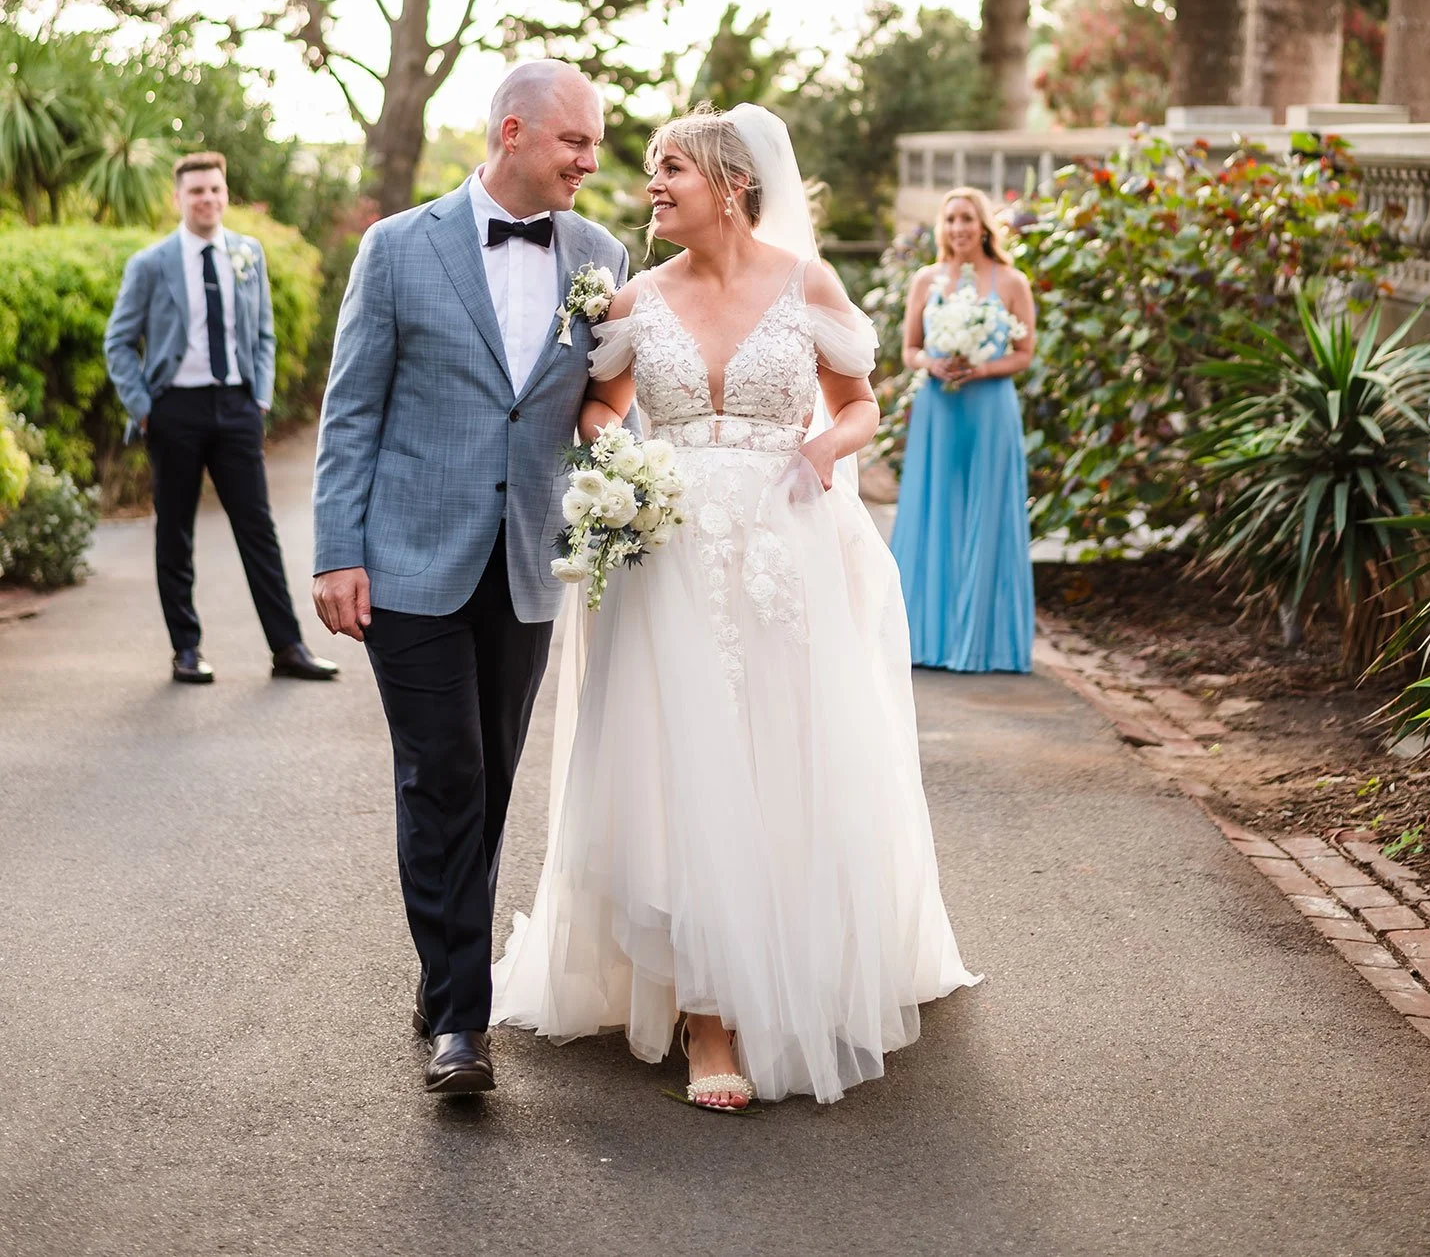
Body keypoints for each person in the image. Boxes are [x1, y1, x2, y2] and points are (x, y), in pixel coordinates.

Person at [491, 105, 976, 1109]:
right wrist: (612, 456)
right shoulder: (634, 294)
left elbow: (860, 406)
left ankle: (778, 971)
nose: (650, 186)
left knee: (777, 758)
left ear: (732, 183)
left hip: (782, 547)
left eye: (670, 170)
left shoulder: (809, 286)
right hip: (664, 552)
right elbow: (601, 406)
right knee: (679, 768)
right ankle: (707, 1017)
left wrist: (822, 450)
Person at [311, 61, 630, 1099]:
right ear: (512, 131)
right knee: (442, 771)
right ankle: (462, 1018)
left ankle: (440, 965)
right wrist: (335, 550)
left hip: (530, 558)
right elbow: (351, 408)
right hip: (408, 557)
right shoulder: (398, 248)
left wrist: (621, 466)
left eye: (595, 144)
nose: (591, 160)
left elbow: (601, 401)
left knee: (488, 778)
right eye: (575, 142)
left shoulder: (600, 255)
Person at [103, 151, 336, 689]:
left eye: (214, 189)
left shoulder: (247, 253)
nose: (207, 199)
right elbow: (118, 342)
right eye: (195, 192)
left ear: (224, 193)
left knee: (258, 529)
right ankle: (186, 650)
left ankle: (288, 647)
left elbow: (263, 334)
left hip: (236, 410)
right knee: (176, 532)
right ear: (178, 198)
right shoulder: (151, 263)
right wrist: (144, 409)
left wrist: (258, 398)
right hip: (174, 411)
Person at [890, 186, 1036, 674]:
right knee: (935, 511)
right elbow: (910, 349)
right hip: (939, 408)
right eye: (951, 219)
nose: (959, 228)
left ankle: (984, 645)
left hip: (990, 409)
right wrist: (932, 363)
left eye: (968, 219)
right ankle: (927, 640)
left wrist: (982, 368)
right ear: (942, 226)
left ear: (983, 226)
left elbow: (1025, 352)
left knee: (987, 512)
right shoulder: (926, 280)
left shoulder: (1012, 281)